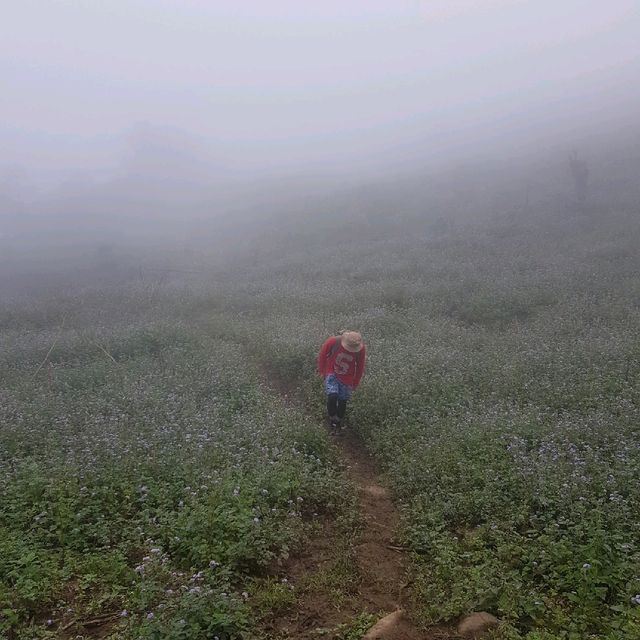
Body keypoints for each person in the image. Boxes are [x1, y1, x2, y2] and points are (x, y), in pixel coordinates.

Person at [316, 330, 366, 429]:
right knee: (332, 396)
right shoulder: (333, 341)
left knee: (343, 401)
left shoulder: (361, 349)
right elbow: (322, 355)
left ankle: (338, 420)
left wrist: (355, 382)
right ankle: (332, 417)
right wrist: (322, 371)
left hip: (347, 377)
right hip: (332, 372)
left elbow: (360, 366)